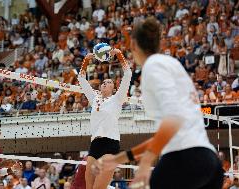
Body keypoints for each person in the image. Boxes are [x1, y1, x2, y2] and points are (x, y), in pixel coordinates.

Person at [93, 17, 223, 189]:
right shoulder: (171, 64)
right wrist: (119, 159)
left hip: (186, 158)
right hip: (209, 162)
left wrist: (146, 162)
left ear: (133, 45)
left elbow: (173, 119)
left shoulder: (153, 66)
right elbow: (168, 132)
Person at [78, 48, 132, 189]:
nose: (104, 83)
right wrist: (86, 60)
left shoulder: (117, 99)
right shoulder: (94, 98)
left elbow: (128, 74)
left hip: (110, 144)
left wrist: (119, 54)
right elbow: (81, 78)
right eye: (104, 82)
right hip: (95, 145)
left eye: (108, 82)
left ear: (114, 88)